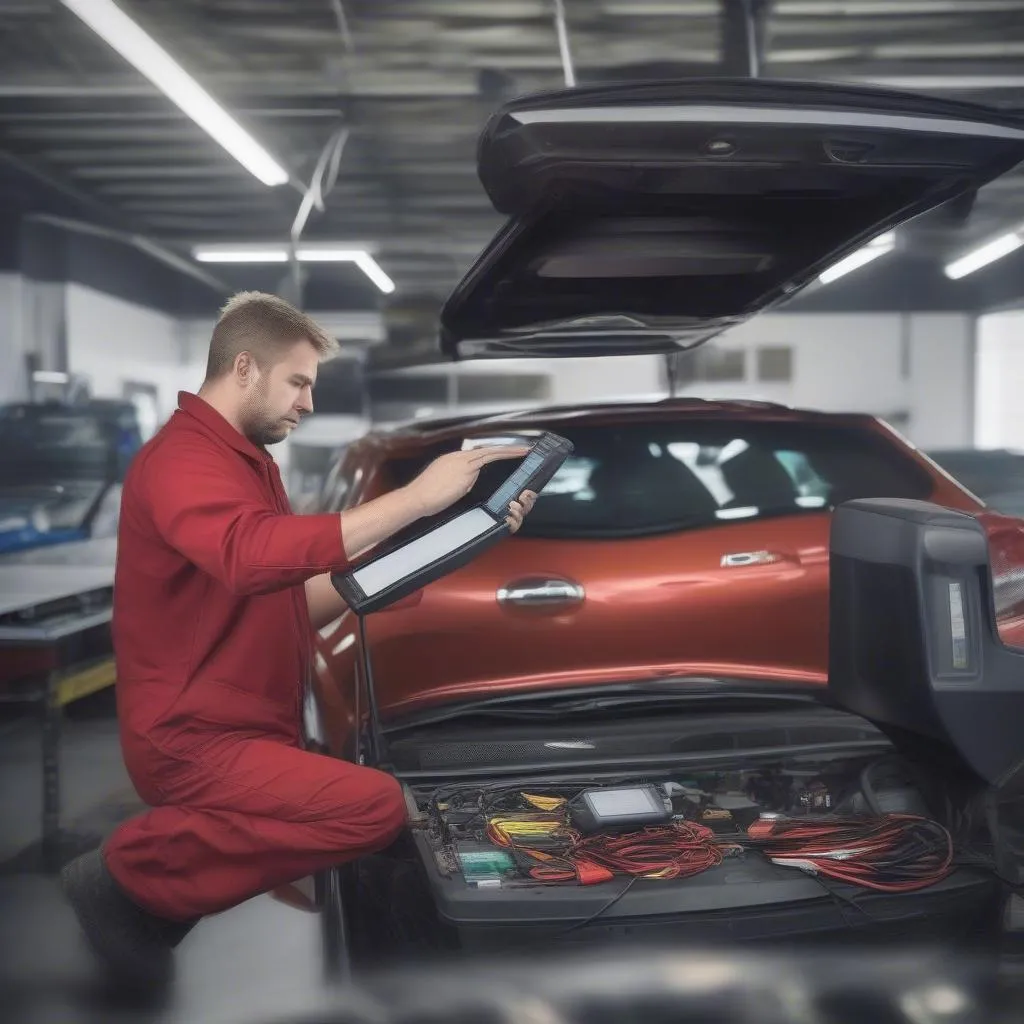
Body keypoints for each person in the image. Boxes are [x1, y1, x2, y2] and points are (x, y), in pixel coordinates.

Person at [60, 292, 536, 987]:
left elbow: (295, 596)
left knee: (366, 812)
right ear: (245, 367)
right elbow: (250, 555)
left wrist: (460, 534)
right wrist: (415, 498)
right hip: (191, 739)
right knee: (372, 805)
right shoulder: (182, 461)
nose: (308, 402)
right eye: (299, 381)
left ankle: (150, 912)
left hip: (249, 728)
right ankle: (127, 875)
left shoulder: (247, 461)